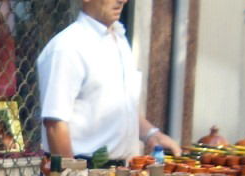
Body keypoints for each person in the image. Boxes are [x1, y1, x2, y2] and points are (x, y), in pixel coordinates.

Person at [36, 0, 180, 164]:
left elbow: (122, 109)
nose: (122, 1)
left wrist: (152, 134)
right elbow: (55, 123)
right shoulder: (67, 47)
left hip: (122, 169)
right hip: (82, 167)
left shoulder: (119, 39)